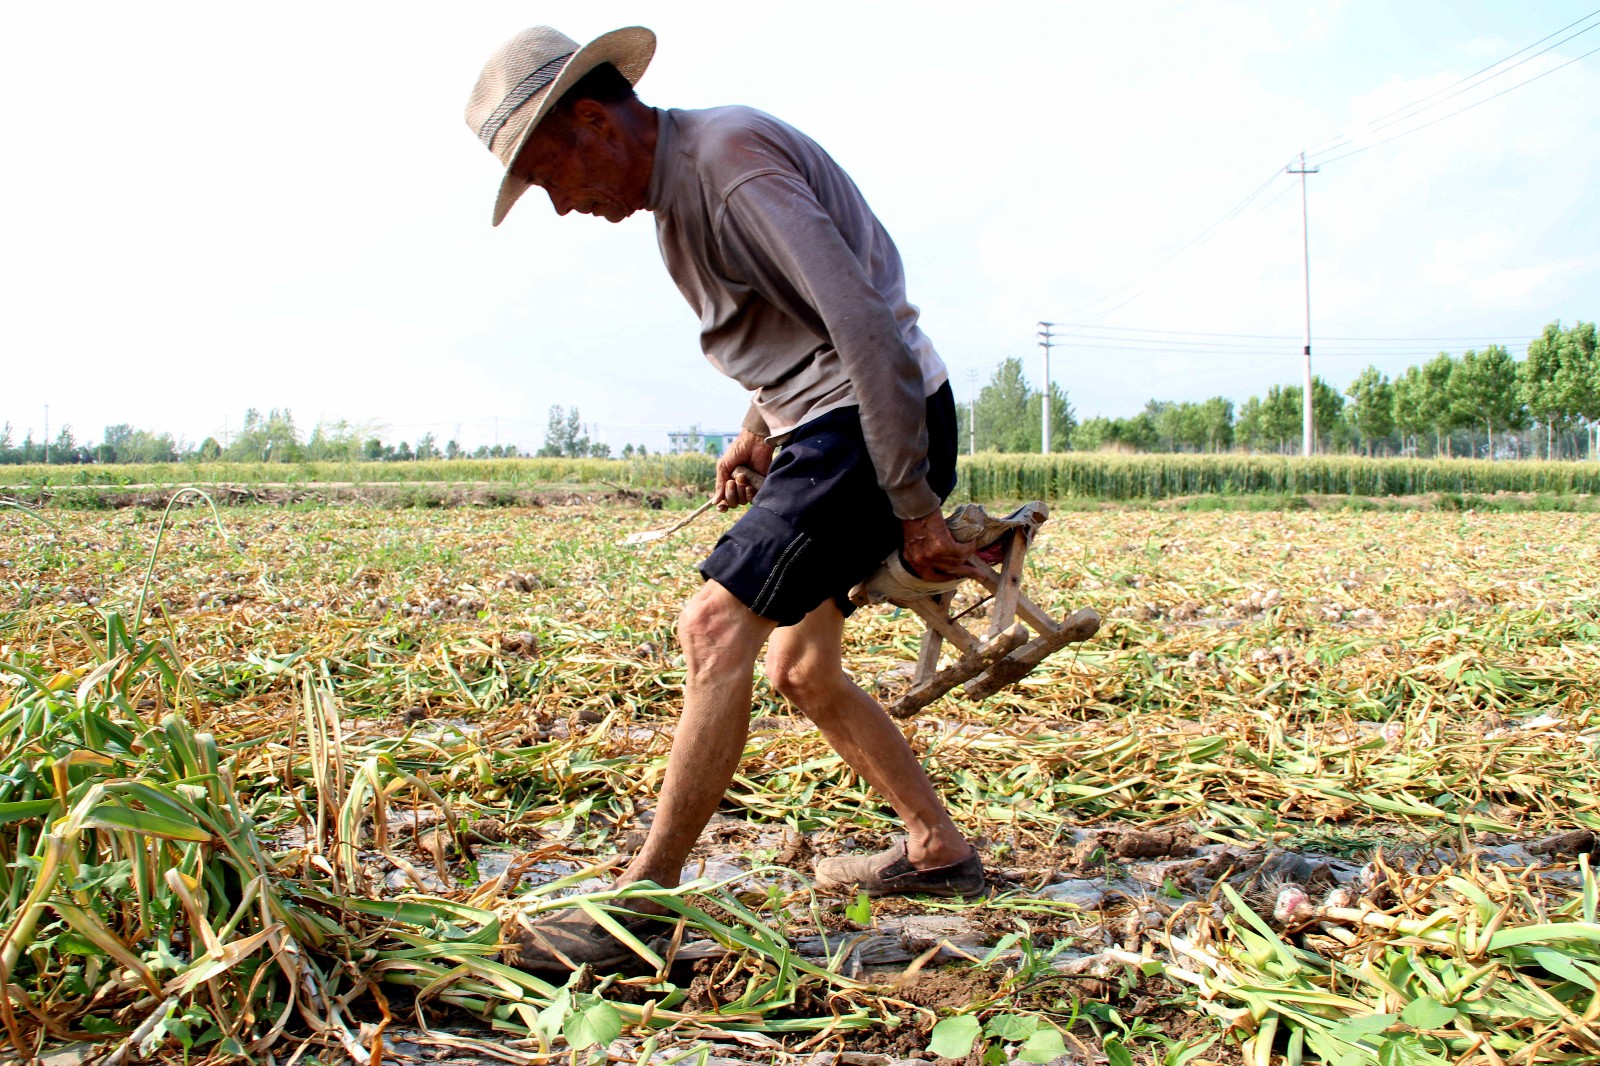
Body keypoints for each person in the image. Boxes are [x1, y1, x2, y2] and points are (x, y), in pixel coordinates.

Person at [466, 25, 985, 972]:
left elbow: (865, 327)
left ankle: (640, 909)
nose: (562, 205)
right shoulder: (684, 192)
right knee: (801, 669)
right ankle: (937, 847)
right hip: (827, 425)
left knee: (712, 628)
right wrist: (758, 426)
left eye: (549, 178)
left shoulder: (731, 166)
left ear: (595, 123)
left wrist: (912, 504)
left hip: (869, 426)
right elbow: (796, 326)